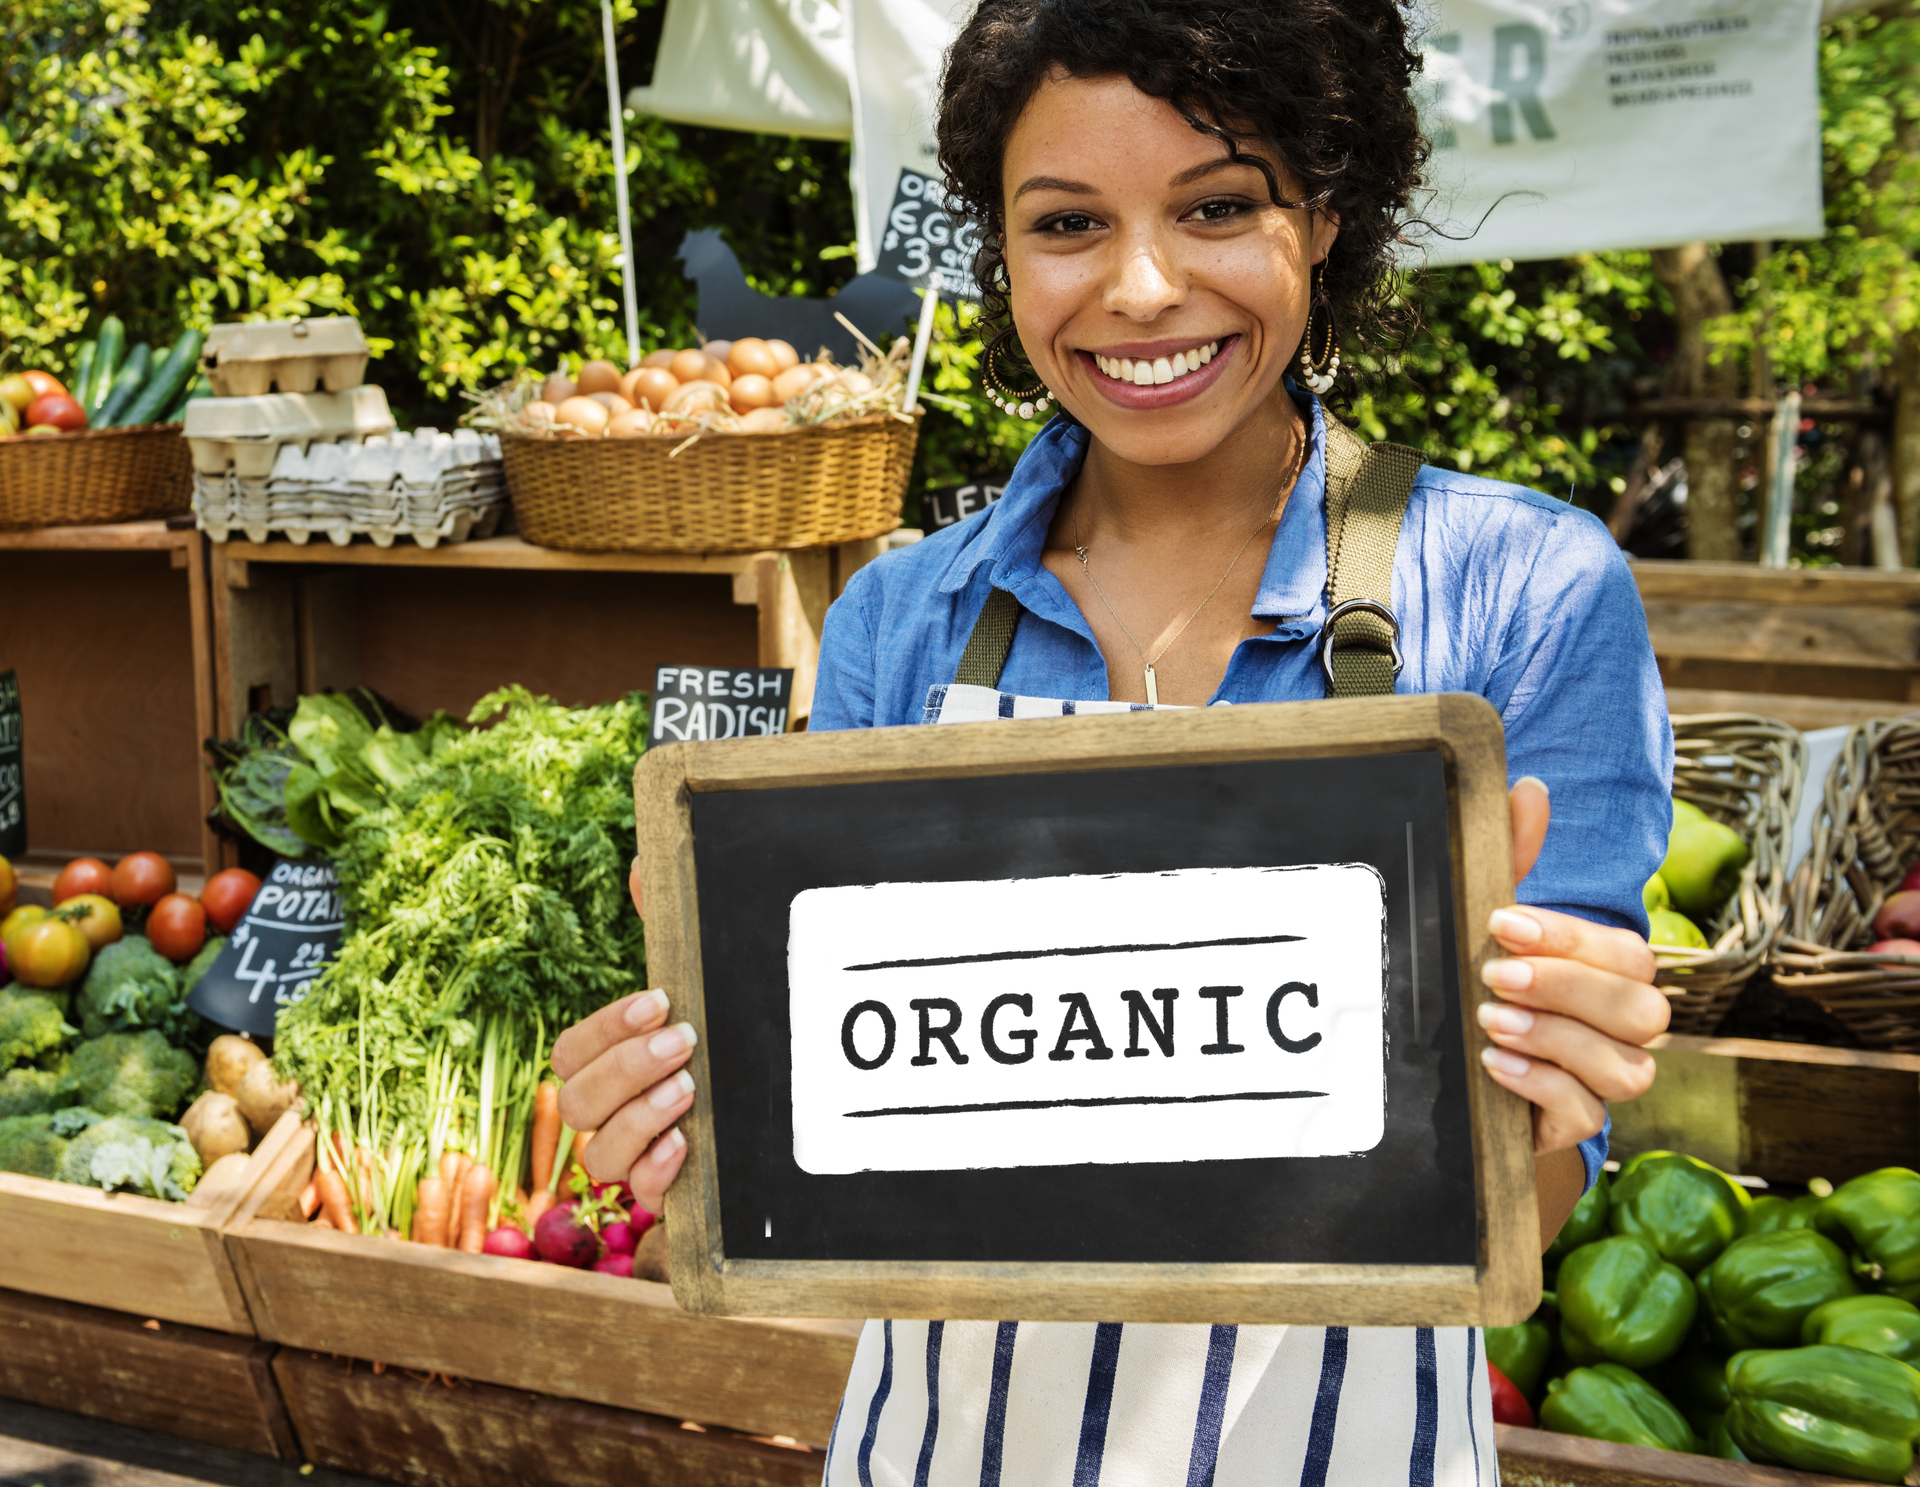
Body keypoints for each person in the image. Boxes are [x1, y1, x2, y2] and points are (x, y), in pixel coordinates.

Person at [553, 0, 1674, 1479]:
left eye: (1217, 207)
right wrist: (688, 1114)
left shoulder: (1529, 591)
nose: (1142, 289)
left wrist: (1561, 1067)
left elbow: (1534, 1203)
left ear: (1326, 214)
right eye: (1068, 223)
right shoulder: (903, 620)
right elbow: (833, 1150)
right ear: (1003, 256)